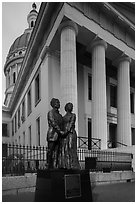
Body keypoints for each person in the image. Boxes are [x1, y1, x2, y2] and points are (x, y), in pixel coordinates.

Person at [58, 102, 80, 169]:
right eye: (70, 106)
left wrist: (66, 132)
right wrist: (61, 133)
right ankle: (66, 165)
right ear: (66, 108)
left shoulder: (73, 115)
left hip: (71, 133)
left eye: (72, 106)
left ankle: (73, 164)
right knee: (65, 149)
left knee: (71, 147)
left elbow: (71, 123)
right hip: (65, 135)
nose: (71, 107)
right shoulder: (63, 117)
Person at [47, 98, 64, 169]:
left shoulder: (60, 115)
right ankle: (48, 164)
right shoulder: (50, 113)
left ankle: (55, 165)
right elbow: (53, 122)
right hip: (52, 134)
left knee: (57, 152)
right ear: (53, 104)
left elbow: (62, 124)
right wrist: (60, 131)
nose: (58, 104)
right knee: (50, 151)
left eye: (59, 102)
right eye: (57, 102)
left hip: (59, 136)